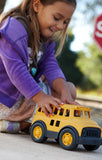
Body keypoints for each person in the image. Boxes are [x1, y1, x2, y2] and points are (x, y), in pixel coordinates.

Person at [0, 0, 77, 133]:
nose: (60, 26)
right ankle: (21, 123)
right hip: (5, 99)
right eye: (57, 18)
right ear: (36, 5)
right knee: (53, 108)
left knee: (69, 90)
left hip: (23, 96)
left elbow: (51, 67)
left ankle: (22, 124)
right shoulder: (13, 29)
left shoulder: (46, 40)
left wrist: (64, 93)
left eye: (65, 22)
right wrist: (41, 97)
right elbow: (16, 70)